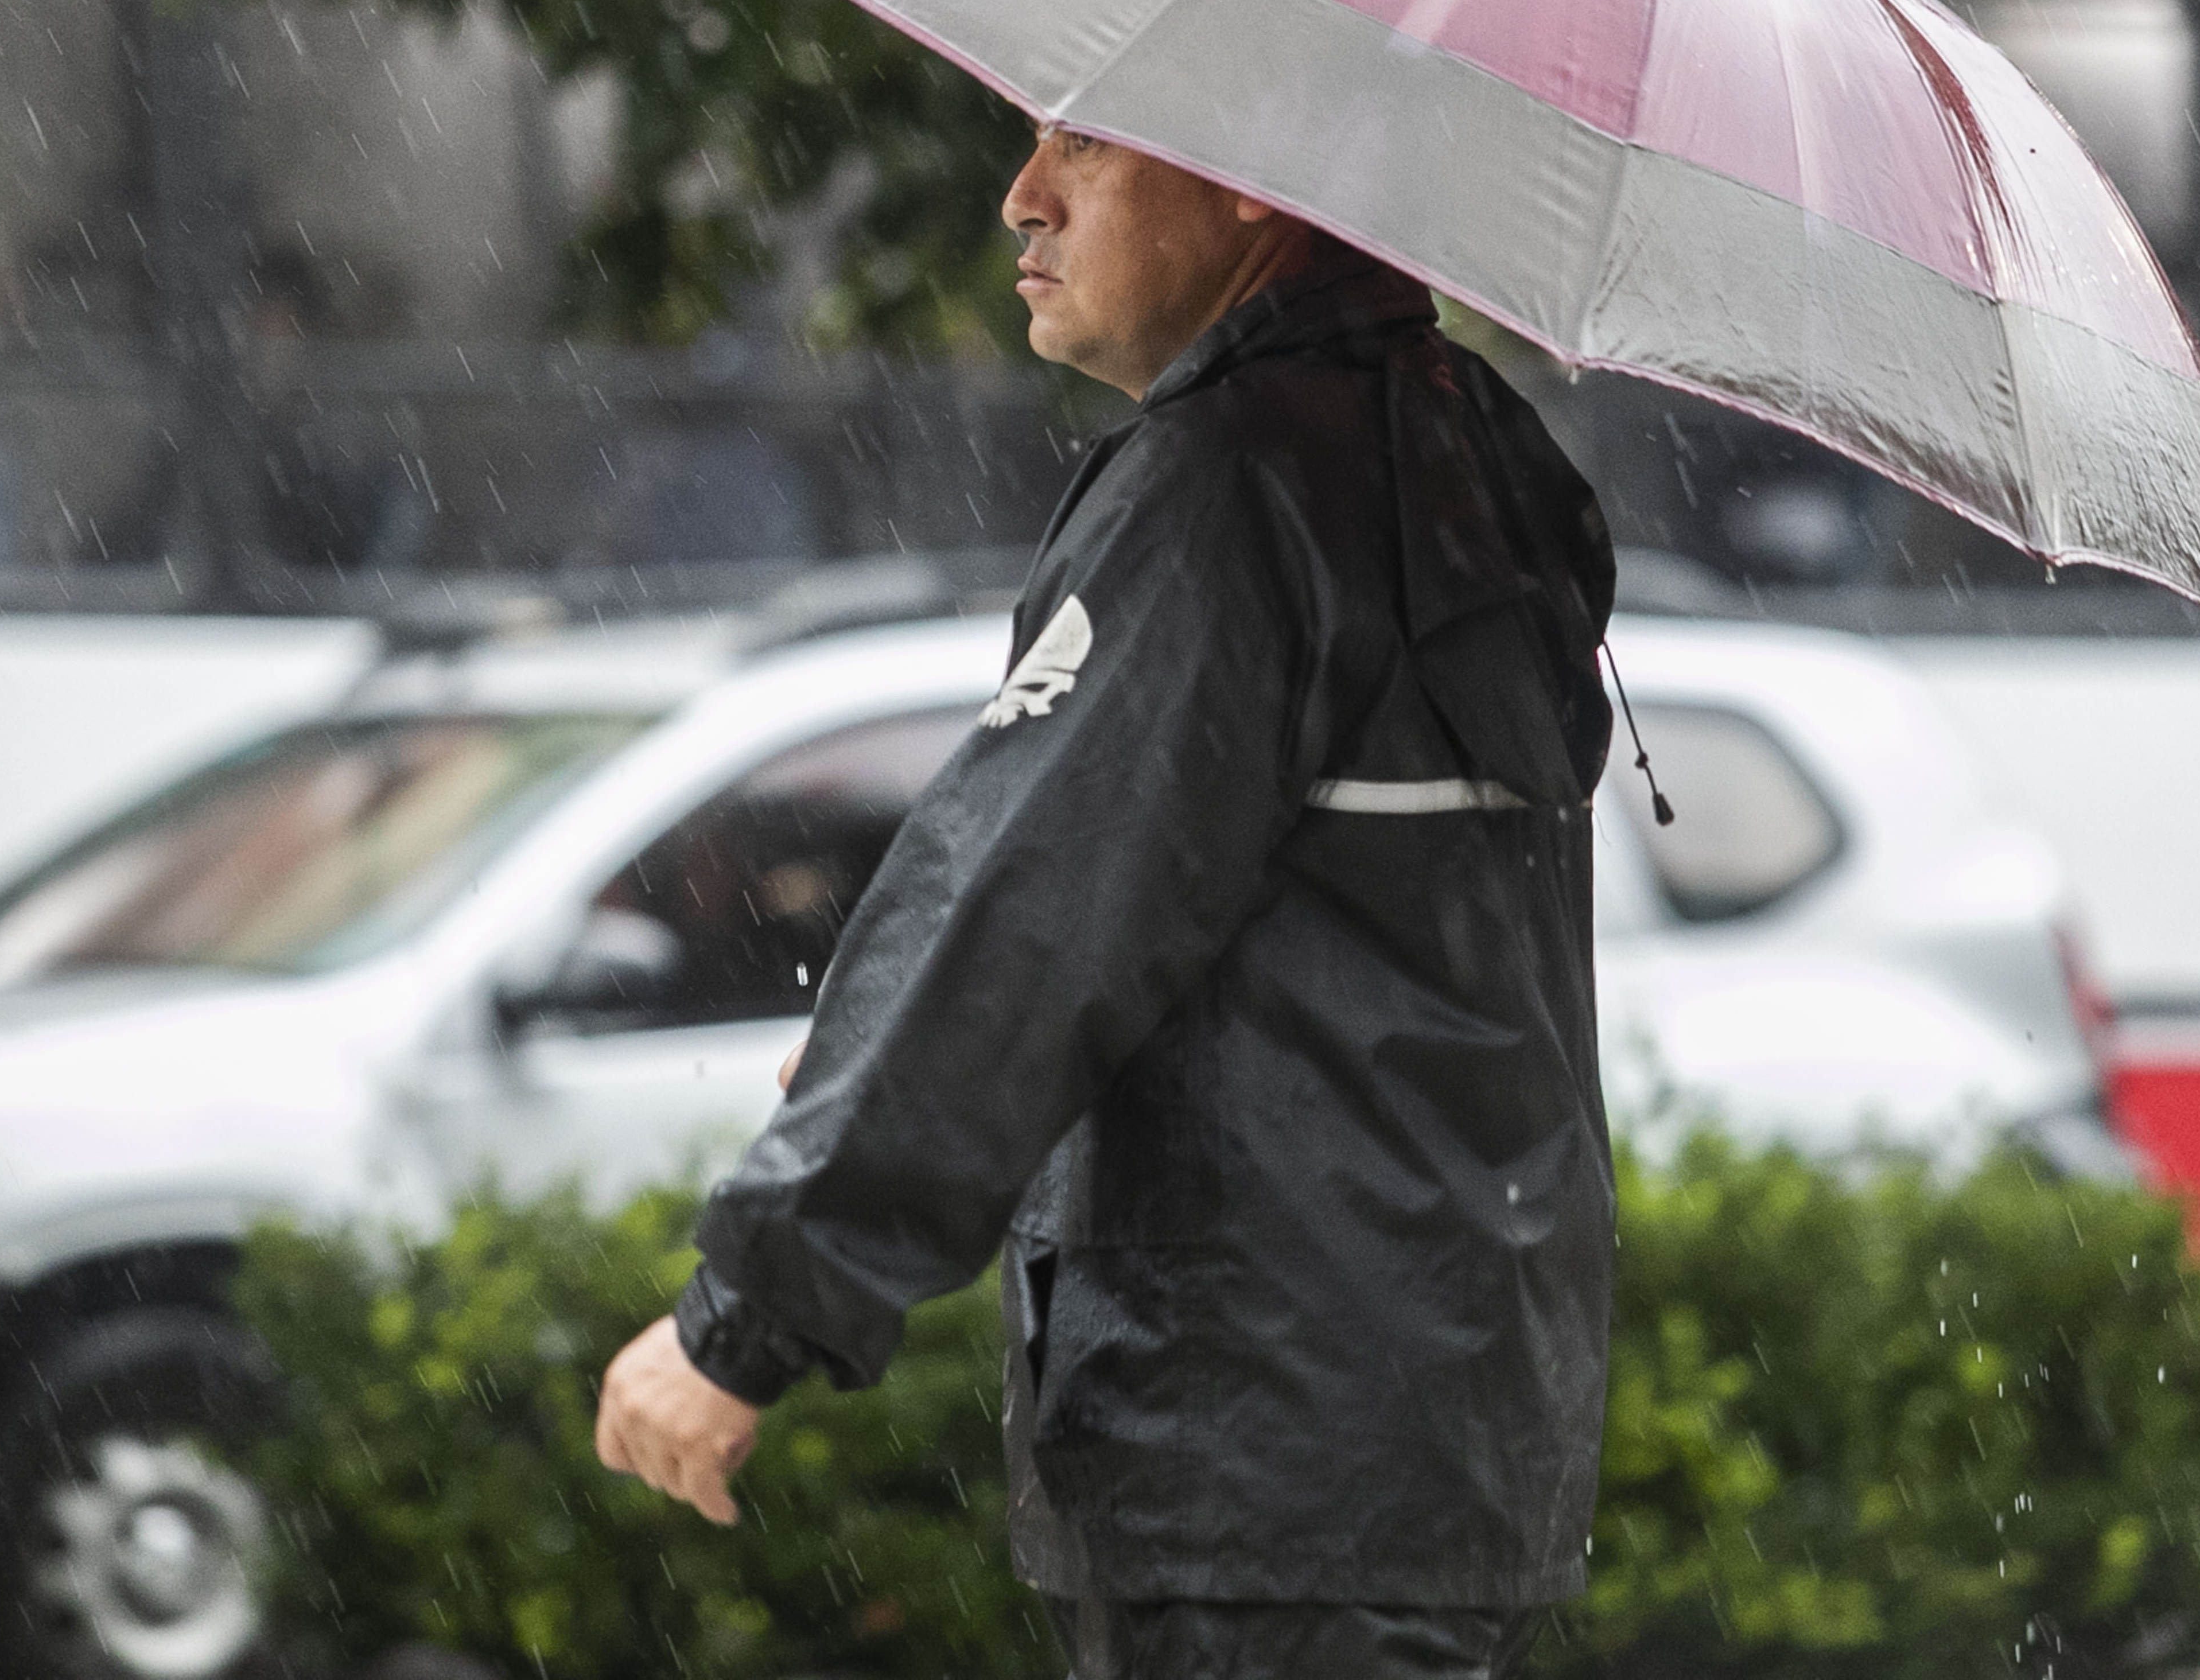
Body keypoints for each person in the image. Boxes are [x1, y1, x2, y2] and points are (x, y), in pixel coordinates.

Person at [593, 122, 1619, 1679]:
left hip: (1250, 1442)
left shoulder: (1226, 481)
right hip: (1446, 1427)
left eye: (1085, 143)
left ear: (1252, 172)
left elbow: (1027, 910)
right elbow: (1256, 939)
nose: (1024, 194)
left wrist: (745, 1320)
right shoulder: (1474, 448)